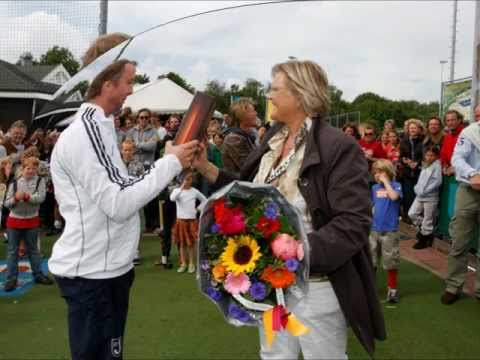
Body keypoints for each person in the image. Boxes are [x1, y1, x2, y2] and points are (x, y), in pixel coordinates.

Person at [194, 59, 385, 359]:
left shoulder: (337, 146)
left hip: (315, 290)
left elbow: (354, 222)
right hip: (271, 289)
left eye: (274, 88)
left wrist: (297, 253)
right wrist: (206, 168)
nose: (268, 95)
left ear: (299, 94)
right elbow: (250, 194)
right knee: (274, 356)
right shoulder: (272, 138)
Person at [48, 58, 199, 360]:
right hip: (94, 273)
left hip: (106, 269)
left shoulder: (102, 128)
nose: (132, 90)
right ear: (107, 85)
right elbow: (118, 203)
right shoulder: (86, 131)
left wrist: (168, 160)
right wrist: (170, 163)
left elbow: (122, 185)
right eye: (129, 82)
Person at [441, 105, 480, 305]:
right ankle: (453, 286)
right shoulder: (470, 132)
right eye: (477, 114)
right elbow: (457, 158)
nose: (478, 116)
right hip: (469, 189)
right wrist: (473, 174)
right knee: (459, 240)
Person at [3, 156, 52, 292]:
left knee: (34, 250)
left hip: (32, 220)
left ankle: (38, 275)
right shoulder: (14, 183)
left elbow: (41, 198)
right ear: (22, 169)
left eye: (33, 168)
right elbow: (6, 203)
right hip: (15, 221)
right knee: (13, 252)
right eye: (28, 168)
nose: (30, 171)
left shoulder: (40, 181)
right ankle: (11, 279)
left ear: (37, 169)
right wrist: (15, 199)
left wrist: (26, 197)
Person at [369, 159, 402, 303]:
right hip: (374, 230)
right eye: (375, 172)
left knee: (391, 261)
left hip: (390, 230)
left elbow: (394, 197)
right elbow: (372, 206)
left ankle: (392, 290)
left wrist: (387, 182)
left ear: (388, 172)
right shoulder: (374, 188)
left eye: (380, 172)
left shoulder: (396, 186)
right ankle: (369, 289)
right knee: (371, 261)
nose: (377, 175)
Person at [126, 108, 159, 234]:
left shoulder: (154, 131)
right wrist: (142, 145)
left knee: (150, 195)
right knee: (136, 195)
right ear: (137, 118)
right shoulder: (131, 131)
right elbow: (128, 146)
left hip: (147, 166)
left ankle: (152, 224)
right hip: (134, 167)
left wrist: (137, 145)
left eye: (146, 117)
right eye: (141, 117)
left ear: (149, 118)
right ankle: (139, 225)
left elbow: (152, 147)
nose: (144, 119)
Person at [170, 170, 206, 273]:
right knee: (182, 244)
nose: (188, 181)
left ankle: (191, 264)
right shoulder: (177, 191)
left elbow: (205, 200)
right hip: (180, 222)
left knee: (191, 244)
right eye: (186, 179)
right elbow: (172, 198)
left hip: (191, 222)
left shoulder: (194, 191)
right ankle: (183, 263)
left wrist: (198, 209)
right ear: (181, 180)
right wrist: (181, 187)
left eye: (190, 179)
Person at [408, 146, 442, 249]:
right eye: (427, 155)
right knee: (412, 213)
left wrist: (425, 191)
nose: (429, 157)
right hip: (419, 195)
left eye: (432, 155)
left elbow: (437, 182)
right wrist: (416, 188)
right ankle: (425, 230)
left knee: (428, 218)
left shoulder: (437, 166)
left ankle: (424, 239)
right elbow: (421, 180)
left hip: (430, 197)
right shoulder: (425, 165)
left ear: (436, 156)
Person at [121, 139, 145, 265]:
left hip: (136, 200)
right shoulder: (116, 165)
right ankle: (123, 252)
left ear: (133, 151)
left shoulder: (139, 165)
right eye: (125, 150)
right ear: (121, 150)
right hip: (121, 201)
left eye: (130, 150)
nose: (128, 152)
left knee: (138, 226)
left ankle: (136, 250)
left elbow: (143, 182)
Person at [221, 98, 257, 174]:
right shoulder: (233, 139)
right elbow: (250, 167)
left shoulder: (246, 135)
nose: (256, 113)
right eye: (253, 111)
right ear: (242, 115)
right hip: (236, 184)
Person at [399, 119, 424, 220]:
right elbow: (401, 156)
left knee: (418, 196)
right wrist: (404, 160)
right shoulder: (403, 141)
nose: (412, 130)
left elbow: (426, 155)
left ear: (419, 129)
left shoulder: (423, 141)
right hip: (407, 173)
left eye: (414, 128)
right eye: (410, 128)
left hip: (419, 173)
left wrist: (417, 162)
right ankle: (407, 217)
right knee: (407, 197)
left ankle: (417, 218)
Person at [440, 110, 464, 177]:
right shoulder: (447, 137)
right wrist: (444, 166)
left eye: (453, 120)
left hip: (465, 176)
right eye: (448, 120)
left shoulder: (466, 134)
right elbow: (443, 154)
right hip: (450, 175)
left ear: (459, 120)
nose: (450, 123)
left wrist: (455, 168)